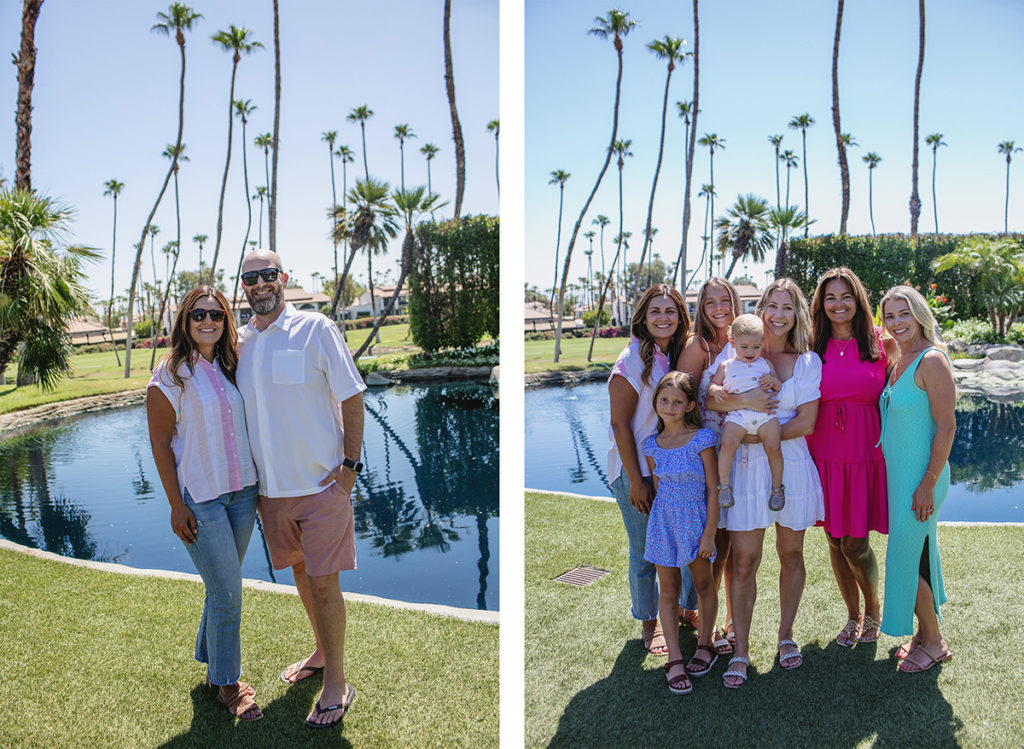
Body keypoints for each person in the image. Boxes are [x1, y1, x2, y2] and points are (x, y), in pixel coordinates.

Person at [236, 249, 365, 728]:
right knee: (300, 575)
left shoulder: (316, 329)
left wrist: (349, 469)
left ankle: (337, 683)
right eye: (251, 278)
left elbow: (352, 396)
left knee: (325, 584)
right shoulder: (241, 342)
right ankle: (318, 652)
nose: (260, 283)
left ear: (283, 278)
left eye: (268, 275)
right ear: (244, 286)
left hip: (320, 486)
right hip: (271, 494)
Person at [147, 285, 263, 721]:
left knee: (221, 586)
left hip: (243, 493)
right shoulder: (171, 374)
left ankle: (213, 669)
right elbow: (160, 443)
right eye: (198, 315)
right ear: (185, 321)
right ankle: (229, 686)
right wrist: (176, 506)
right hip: (202, 498)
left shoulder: (235, 366)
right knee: (228, 592)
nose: (208, 321)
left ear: (226, 319)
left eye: (216, 314)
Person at [706, 278, 824, 688]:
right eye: (772, 305)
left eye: (787, 307)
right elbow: (711, 399)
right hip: (741, 470)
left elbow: (806, 422)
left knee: (791, 554)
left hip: (787, 465)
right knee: (744, 560)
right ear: (761, 309)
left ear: (798, 314)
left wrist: (755, 435)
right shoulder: (736, 348)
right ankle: (741, 651)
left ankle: (785, 635)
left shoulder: (808, 362)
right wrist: (746, 407)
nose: (777, 314)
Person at [608, 283, 697, 657]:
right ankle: (649, 622)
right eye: (655, 311)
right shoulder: (631, 360)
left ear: (680, 317)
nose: (663, 317)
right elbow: (619, 424)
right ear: (643, 317)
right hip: (637, 473)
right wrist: (638, 480)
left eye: (670, 311)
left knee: (685, 544)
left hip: (671, 471)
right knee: (645, 550)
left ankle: (683, 610)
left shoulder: (669, 357)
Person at [807, 268, 894, 648]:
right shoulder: (810, 345)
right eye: (830, 298)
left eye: (845, 296)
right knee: (832, 538)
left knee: (855, 544)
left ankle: (874, 611)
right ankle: (852, 617)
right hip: (822, 455)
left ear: (858, 299)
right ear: (821, 305)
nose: (838, 304)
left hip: (865, 454)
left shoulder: (881, 343)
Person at [878, 285, 956, 673]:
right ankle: (925, 636)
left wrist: (927, 482)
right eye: (889, 316)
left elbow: (946, 427)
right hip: (901, 477)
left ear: (919, 314)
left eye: (903, 314)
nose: (896, 322)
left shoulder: (931, 361)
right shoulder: (900, 357)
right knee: (920, 553)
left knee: (905, 557)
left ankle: (935, 642)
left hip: (922, 479)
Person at [677, 278, 756, 655]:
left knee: (738, 543)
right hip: (710, 454)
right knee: (716, 544)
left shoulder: (745, 338)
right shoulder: (699, 347)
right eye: (711, 302)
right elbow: (681, 400)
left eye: (725, 300)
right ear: (702, 307)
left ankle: (730, 622)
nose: (719, 308)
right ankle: (707, 625)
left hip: (747, 452)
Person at [641, 372, 720, 694]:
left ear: (689, 405)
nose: (670, 406)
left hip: (696, 522)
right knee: (669, 588)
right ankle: (674, 658)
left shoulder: (702, 438)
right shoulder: (651, 445)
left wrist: (709, 534)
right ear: (656, 403)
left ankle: (705, 644)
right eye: (664, 400)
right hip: (663, 524)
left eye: (677, 401)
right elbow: (660, 490)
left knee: (703, 583)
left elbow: (714, 489)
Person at [709, 314, 785, 512]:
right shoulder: (726, 366)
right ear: (732, 342)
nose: (750, 352)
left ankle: (777, 488)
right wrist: (716, 390)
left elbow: (777, 385)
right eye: (744, 347)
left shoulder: (766, 364)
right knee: (727, 444)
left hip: (765, 415)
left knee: (774, 447)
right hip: (738, 414)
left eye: (756, 347)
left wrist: (773, 381)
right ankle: (724, 486)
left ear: (762, 342)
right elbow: (714, 384)